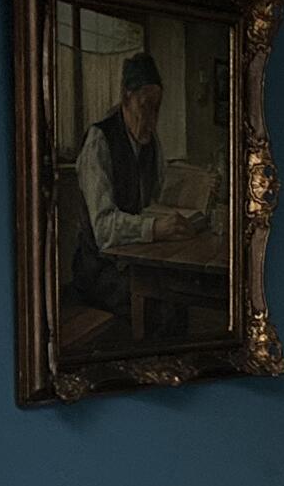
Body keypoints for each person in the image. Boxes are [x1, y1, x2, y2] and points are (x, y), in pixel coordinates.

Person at [70, 51, 198, 318]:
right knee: (160, 305)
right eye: (145, 106)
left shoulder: (151, 144)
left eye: (157, 108)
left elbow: (156, 201)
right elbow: (103, 228)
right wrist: (155, 228)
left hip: (137, 259)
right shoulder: (99, 141)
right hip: (100, 270)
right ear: (126, 98)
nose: (152, 118)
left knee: (179, 296)